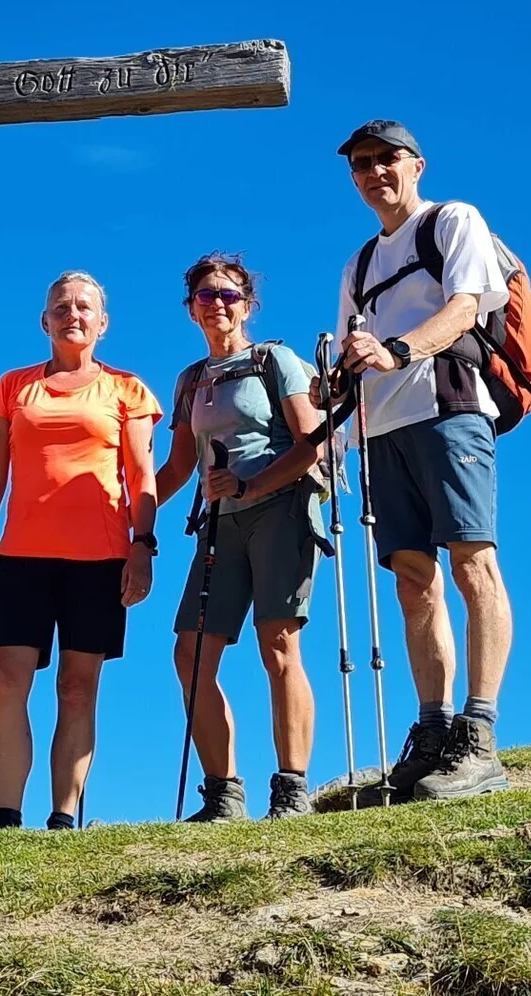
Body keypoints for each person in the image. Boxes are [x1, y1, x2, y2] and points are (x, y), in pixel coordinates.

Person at [333, 120, 512, 800]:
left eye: (387, 159)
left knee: (473, 561)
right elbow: (356, 353)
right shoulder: (357, 265)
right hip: (381, 429)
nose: (375, 172)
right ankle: (433, 733)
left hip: (449, 409)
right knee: (414, 579)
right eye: (361, 164)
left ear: (417, 165)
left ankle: (480, 734)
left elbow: (465, 308)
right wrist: (338, 433)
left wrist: (400, 350)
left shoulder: (453, 220)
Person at [0, 271, 163, 831]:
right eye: (61, 307)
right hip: (22, 557)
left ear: (102, 323)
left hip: (99, 559)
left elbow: (141, 475)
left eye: (84, 307)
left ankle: (63, 816)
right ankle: (6, 818)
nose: (72, 315)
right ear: (44, 321)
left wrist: (141, 546)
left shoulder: (127, 390)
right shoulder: (13, 388)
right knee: (4, 679)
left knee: (77, 688)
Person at [155, 255, 328, 821]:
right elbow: (179, 467)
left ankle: (291, 789)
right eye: (206, 296)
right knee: (193, 652)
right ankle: (223, 793)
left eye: (228, 295)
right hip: (218, 522)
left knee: (278, 644)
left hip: (281, 510)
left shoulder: (274, 361)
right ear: (191, 309)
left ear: (248, 304)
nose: (218, 305)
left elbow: (313, 444)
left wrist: (253, 483)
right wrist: (128, 514)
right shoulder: (190, 381)